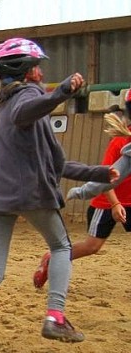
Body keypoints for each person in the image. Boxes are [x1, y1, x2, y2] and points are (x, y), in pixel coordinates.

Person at [0, 37, 115, 353]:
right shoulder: (27, 97)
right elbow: (32, 111)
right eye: (37, 64)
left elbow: (55, 162)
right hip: (29, 193)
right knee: (61, 246)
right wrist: (62, 92)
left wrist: (97, 173)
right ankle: (55, 316)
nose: (41, 70)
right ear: (25, 70)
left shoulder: (7, 105)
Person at [33, 104, 131, 288]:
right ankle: (52, 259)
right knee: (92, 246)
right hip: (106, 202)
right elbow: (105, 176)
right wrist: (115, 204)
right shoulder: (120, 142)